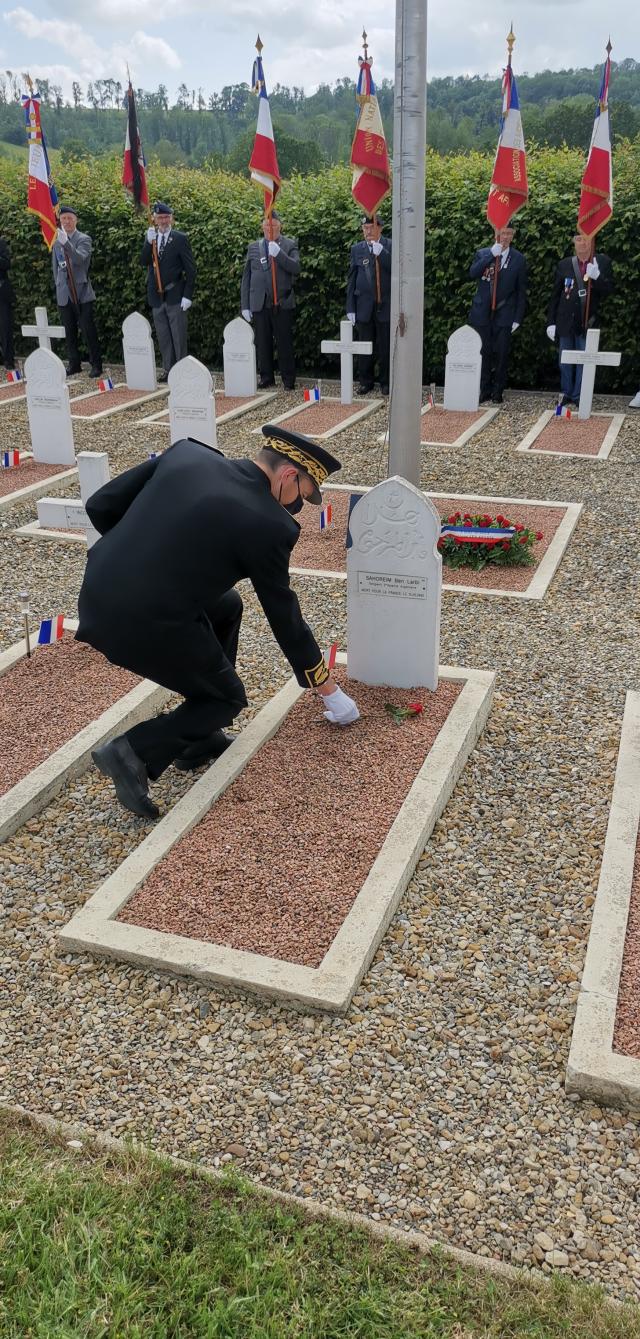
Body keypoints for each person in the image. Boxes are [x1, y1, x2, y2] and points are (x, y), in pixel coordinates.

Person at [77, 424, 360, 819]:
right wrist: (326, 687)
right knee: (227, 699)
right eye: (302, 494)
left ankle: (199, 740)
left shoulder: (189, 454)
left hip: (98, 588)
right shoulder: (270, 525)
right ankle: (131, 752)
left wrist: (138, 558)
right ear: (288, 475)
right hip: (136, 621)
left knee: (227, 605)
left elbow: (101, 505)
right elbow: (284, 614)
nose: (297, 505)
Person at [546, 234, 614, 407]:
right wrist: (551, 322)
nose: (582, 243)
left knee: (585, 360)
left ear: (592, 241)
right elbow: (556, 295)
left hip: (587, 321)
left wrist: (597, 277)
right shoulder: (564, 264)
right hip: (565, 321)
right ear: (574, 243)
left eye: (586, 239)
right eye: (578, 240)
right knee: (565, 360)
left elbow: (609, 290)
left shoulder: (602, 262)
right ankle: (566, 392)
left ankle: (579, 395)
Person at [468, 225, 527, 404]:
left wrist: (517, 318)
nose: (505, 237)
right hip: (482, 312)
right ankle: (484, 389)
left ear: (513, 235)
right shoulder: (483, 253)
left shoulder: (518, 259)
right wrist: (490, 256)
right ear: (496, 234)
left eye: (509, 233)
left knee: (501, 354)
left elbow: (521, 291)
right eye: (502, 233)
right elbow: (473, 273)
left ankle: (497, 391)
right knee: (483, 352)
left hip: (505, 313)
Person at [241, 212, 300, 390]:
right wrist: (245, 305)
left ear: (280, 226)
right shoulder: (254, 247)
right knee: (262, 342)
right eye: (267, 225)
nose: (270, 229)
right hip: (259, 302)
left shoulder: (289, 244)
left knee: (284, 343)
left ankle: (288, 379)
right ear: (262, 227)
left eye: (273, 225)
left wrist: (279, 254)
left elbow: (296, 268)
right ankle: (266, 377)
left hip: (281, 302)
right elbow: (247, 277)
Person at [141, 202, 196, 382]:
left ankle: (182, 371)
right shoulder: (152, 237)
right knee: (163, 335)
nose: (163, 221)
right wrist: (148, 243)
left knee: (178, 336)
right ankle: (168, 370)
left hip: (175, 294)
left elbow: (191, 269)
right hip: (156, 295)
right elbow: (143, 261)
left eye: (166, 217)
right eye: (160, 218)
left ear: (171, 218)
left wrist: (187, 295)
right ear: (154, 219)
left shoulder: (180, 238)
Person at [52, 205, 103, 378]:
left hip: (81, 292)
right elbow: (56, 266)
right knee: (69, 331)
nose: (66, 221)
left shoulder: (83, 239)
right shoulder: (57, 240)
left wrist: (66, 243)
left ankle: (96, 364)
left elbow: (80, 259)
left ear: (76, 221)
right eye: (63, 218)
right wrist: (58, 283)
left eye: (70, 218)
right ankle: (74, 364)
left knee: (88, 330)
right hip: (64, 292)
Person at [346, 213, 392, 395]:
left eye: (371, 227)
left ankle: (386, 382)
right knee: (364, 346)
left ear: (380, 227)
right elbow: (352, 279)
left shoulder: (390, 245)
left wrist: (383, 254)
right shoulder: (357, 249)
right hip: (364, 305)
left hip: (385, 304)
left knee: (385, 346)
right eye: (365, 228)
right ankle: (365, 382)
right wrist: (350, 307)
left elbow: (397, 269)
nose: (368, 231)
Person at [0, 236, 16, 373]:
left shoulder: (1, 242)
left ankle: (8, 359)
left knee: (5, 327)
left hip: (1, 291)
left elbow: (7, 264)